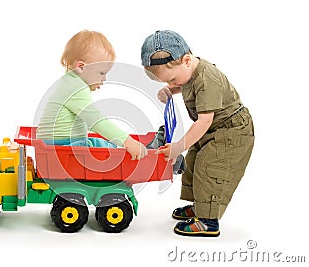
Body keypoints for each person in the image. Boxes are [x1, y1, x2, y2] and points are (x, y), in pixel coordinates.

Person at [141, 30, 254, 237]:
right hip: (214, 130)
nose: (173, 84)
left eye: (173, 80)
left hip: (231, 131)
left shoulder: (207, 78)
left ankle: (208, 221)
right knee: (194, 162)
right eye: (168, 82)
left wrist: (178, 147)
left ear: (186, 60)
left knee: (210, 168)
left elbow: (204, 120)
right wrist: (170, 90)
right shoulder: (188, 72)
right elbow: (185, 84)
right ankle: (200, 206)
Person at [37, 30, 147, 160]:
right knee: (107, 151)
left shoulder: (70, 82)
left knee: (101, 144)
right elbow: (96, 121)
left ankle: (137, 149)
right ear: (81, 67)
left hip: (59, 145)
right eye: (101, 73)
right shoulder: (75, 88)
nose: (104, 78)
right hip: (60, 148)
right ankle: (137, 153)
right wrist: (128, 142)